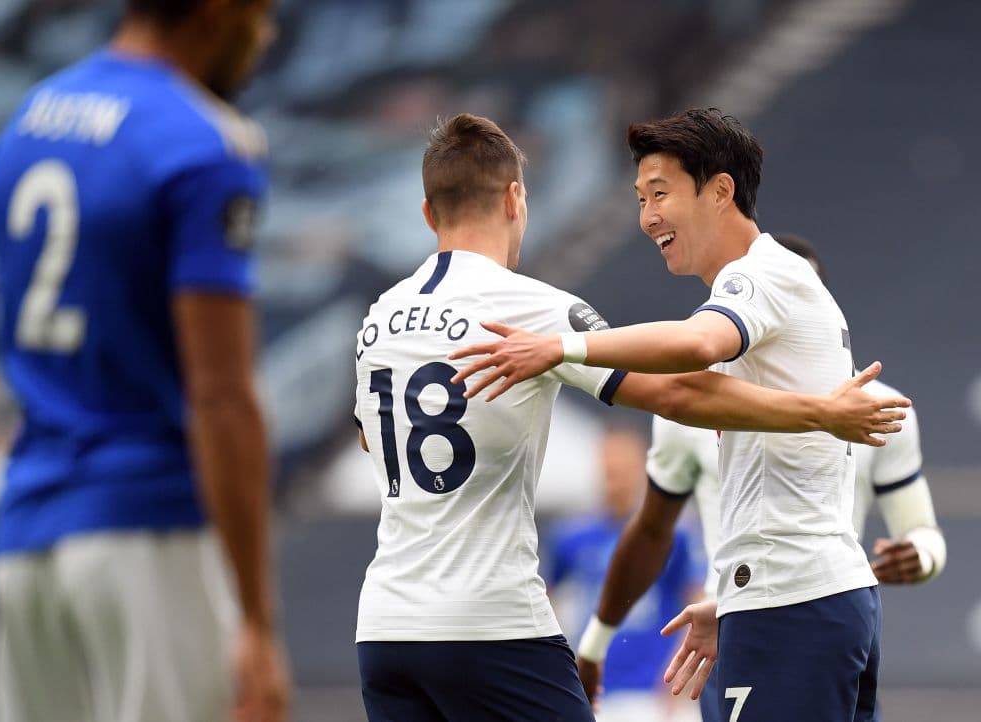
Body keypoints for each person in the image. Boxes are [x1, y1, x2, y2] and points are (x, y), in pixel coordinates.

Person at [353, 112, 907, 722]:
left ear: (428, 213)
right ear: (516, 199)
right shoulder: (531, 306)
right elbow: (676, 394)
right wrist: (820, 414)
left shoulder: (381, 314)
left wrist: (558, 350)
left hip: (386, 626)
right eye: (642, 199)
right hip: (493, 618)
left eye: (659, 195)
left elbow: (370, 437)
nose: (647, 218)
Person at [0, 2, 290, 721]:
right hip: (149, 536)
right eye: (260, 11)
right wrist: (258, 623)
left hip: (26, 540)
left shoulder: (29, 119)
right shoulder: (202, 144)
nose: (265, 32)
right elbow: (220, 397)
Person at [570, 234, 947, 721]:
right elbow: (651, 530)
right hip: (732, 621)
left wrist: (921, 555)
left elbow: (925, 535)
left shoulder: (881, 410)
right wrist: (596, 642)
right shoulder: (689, 410)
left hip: (819, 601)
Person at [545, 425, 703, 722]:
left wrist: (676, 679)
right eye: (608, 470)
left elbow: (695, 603)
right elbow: (544, 600)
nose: (614, 480)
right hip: (593, 688)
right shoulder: (574, 536)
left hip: (652, 689)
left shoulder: (674, 535)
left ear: (641, 470)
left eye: (622, 469)